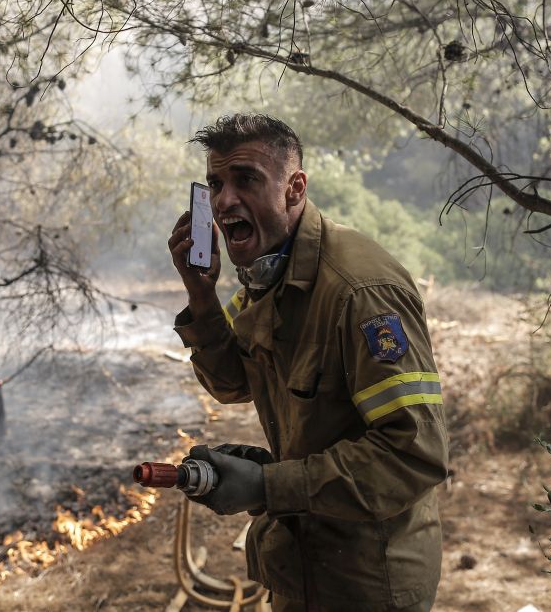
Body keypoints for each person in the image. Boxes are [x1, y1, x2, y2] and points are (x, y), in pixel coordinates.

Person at [167, 114, 449, 612]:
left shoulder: (361, 291)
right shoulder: (271, 274)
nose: (224, 200)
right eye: (215, 183)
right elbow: (233, 383)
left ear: (294, 187)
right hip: (302, 568)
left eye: (246, 179)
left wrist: (269, 483)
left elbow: (414, 455)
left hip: (366, 585)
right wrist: (202, 296)